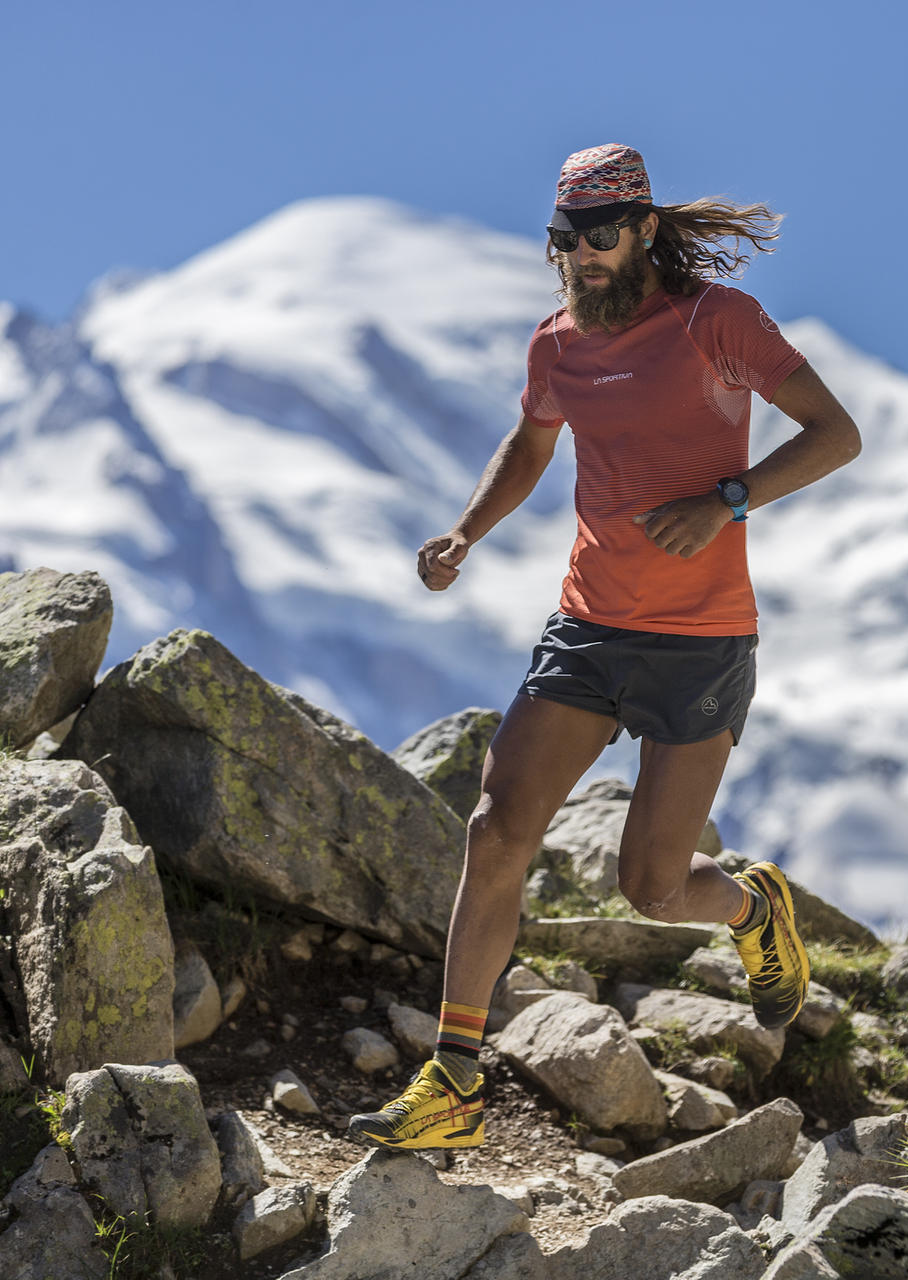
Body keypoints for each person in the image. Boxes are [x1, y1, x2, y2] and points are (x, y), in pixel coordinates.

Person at [349, 143, 861, 1150]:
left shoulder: (720, 324)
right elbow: (535, 441)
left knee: (654, 886)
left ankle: (755, 908)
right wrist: (465, 531)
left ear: (644, 229)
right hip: (589, 624)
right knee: (496, 826)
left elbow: (835, 432)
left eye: (601, 236)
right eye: (566, 239)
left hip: (702, 640)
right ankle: (454, 1079)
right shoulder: (557, 343)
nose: (583, 257)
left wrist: (727, 501)